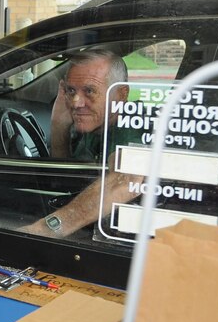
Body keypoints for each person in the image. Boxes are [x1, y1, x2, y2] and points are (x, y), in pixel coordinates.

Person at [22, 49, 141, 238]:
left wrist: (44, 230)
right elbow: (65, 183)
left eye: (89, 91)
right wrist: (58, 126)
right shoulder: (95, 126)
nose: (76, 103)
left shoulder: (133, 128)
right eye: (71, 91)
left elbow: (125, 180)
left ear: (121, 93)